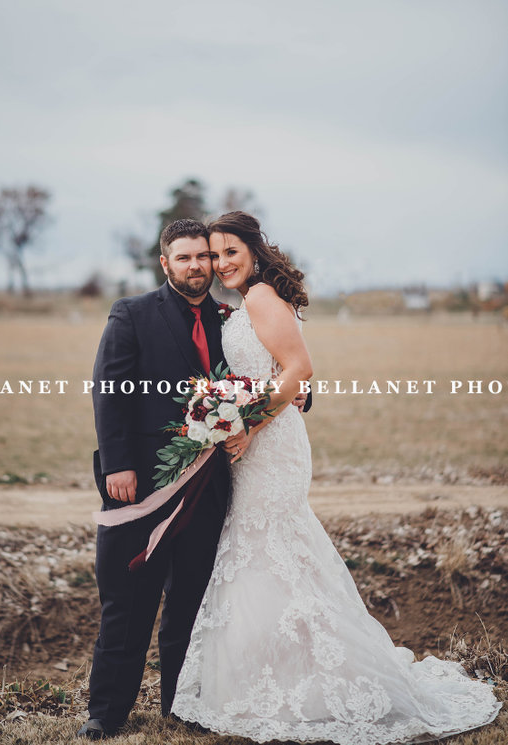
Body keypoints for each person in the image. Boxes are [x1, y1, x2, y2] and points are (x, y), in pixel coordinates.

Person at [171, 211, 501, 745]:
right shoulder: (250, 300)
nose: (221, 262)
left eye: (231, 251)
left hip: (271, 447)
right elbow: (276, 375)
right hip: (262, 441)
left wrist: (248, 424)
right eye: (215, 254)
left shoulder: (259, 297)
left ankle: (302, 681)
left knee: (266, 551)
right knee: (265, 556)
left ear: (253, 251)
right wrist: (233, 407)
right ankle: (278, 678)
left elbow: (299, 369)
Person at [78, 216, 311, 739]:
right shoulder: (133, 314)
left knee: (193, 601)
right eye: (184, 258)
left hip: (211, 486)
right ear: (165, 263)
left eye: (203, 256)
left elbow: (271, 368)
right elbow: (109, 389)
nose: (197, 266)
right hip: (141, 482)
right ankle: (105, 713)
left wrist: (298, 392)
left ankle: (182, 706)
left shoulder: (229, 318)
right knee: (127, 603)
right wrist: (117, 464)